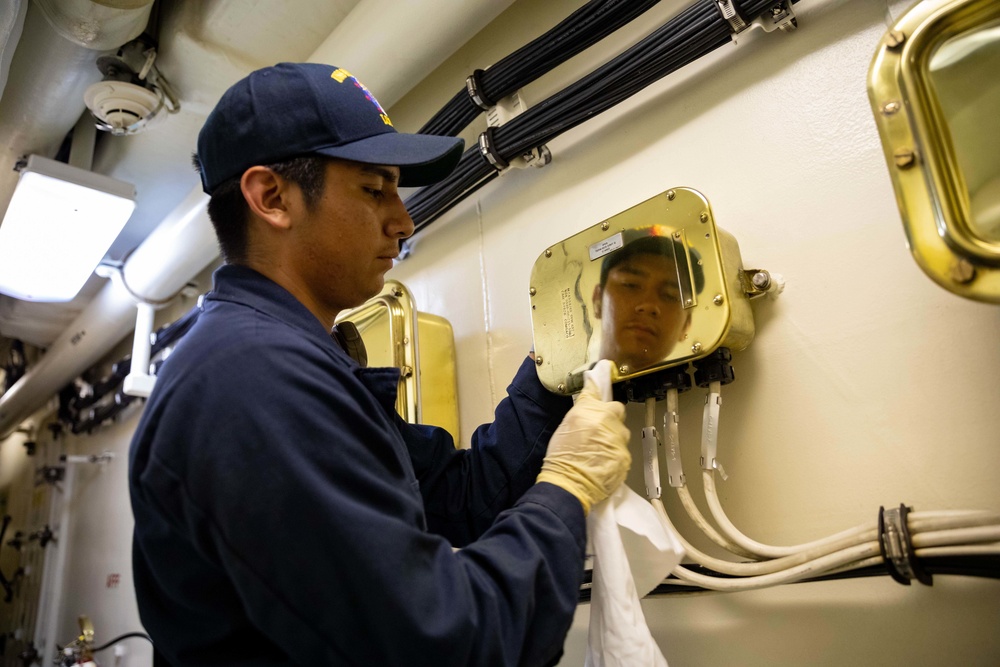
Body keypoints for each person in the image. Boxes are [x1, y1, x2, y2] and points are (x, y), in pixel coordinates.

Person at [128, 62, 632, 666]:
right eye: (374, 190)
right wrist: (566, 490)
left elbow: (460, 500)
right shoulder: (252, 379)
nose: (404, 220)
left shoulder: (298, 364)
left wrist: (555, 365)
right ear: (271, 197)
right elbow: (437, 642)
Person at [591, 231, 703, 373]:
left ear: (686, 324)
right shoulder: (562, 391)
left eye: (670, 295)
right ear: (598, 300)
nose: (649, 305)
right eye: (630, 284)